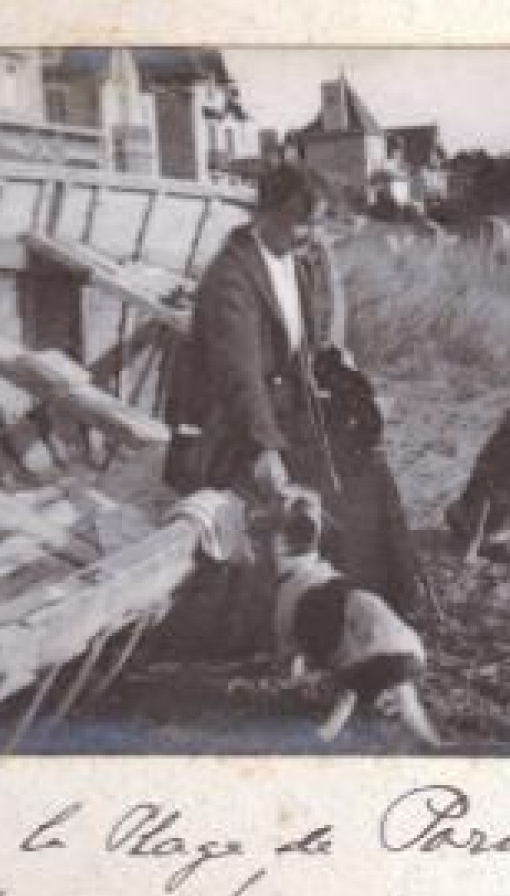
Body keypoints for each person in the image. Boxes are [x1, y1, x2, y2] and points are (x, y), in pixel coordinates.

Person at [160, 159, 423, 657]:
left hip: (286, 409)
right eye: (304, 221)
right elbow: (239, 379)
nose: (313, 233)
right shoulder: (231, 278)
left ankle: (380, 612)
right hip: (233, 426)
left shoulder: (296, 261)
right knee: (319, 494)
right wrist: (267, 448)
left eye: (318, 221)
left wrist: (338, 379)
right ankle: (314, 629)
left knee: (367, 468)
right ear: (269, 213)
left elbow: (309, 345)